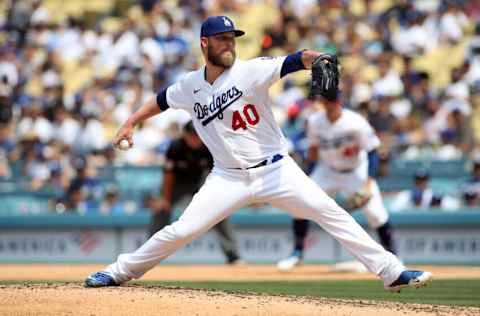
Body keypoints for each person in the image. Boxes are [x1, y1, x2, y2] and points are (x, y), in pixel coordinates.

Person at [85, 15, 432, 292]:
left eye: (232, 38)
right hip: (228, 176)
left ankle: (392, 271)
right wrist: (130, 122)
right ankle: (117, 272)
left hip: (277, 171)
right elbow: (162, 99)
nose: (228, 44)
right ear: (204, 43)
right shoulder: (190, 85)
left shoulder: (250, 70)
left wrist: (317, 58)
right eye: (221, 38)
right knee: (182, 231)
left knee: (331, 213)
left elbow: (295, 60)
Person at [277, 96, 396, 273]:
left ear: (340, 102)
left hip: (356, 171)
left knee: (376, 215)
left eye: (333, 100)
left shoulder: (356, 122)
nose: (330, 104)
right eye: (327, 101)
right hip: (327, 171)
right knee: (300, 204)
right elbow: (313, 150)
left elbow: (372, 152)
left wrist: (368, 182)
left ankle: (393, 256)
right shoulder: (315, 121)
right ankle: (297, 254)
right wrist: (307, 175)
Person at [147, 121, 242, 264]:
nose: (195, 138)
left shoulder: (209, 145)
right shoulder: (175, 147)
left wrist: (216, 198)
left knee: (219, 211)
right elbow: (168, 175)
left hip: (200, 182)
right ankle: (148, 253)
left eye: (197, 135)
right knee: (161, 209)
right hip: (177, 183)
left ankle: (232, 254)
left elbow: (214, 173)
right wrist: (164, 199)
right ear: (185, 135)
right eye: (191, 135)